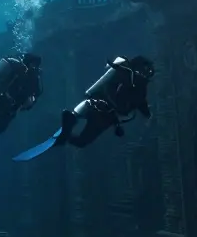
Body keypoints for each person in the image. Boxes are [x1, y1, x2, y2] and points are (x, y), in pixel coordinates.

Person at [12, 56, 154, 162]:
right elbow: (139, 106)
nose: (148, 74)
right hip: (106, 116)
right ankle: (68, 129)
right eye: (147, 71)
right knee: (82, 142)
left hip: (94, 106)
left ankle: (69, 124)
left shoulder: (130, 80)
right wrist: (148, 117)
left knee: (81, 140)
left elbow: (140, 105)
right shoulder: (133, 83)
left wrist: (148, 116)